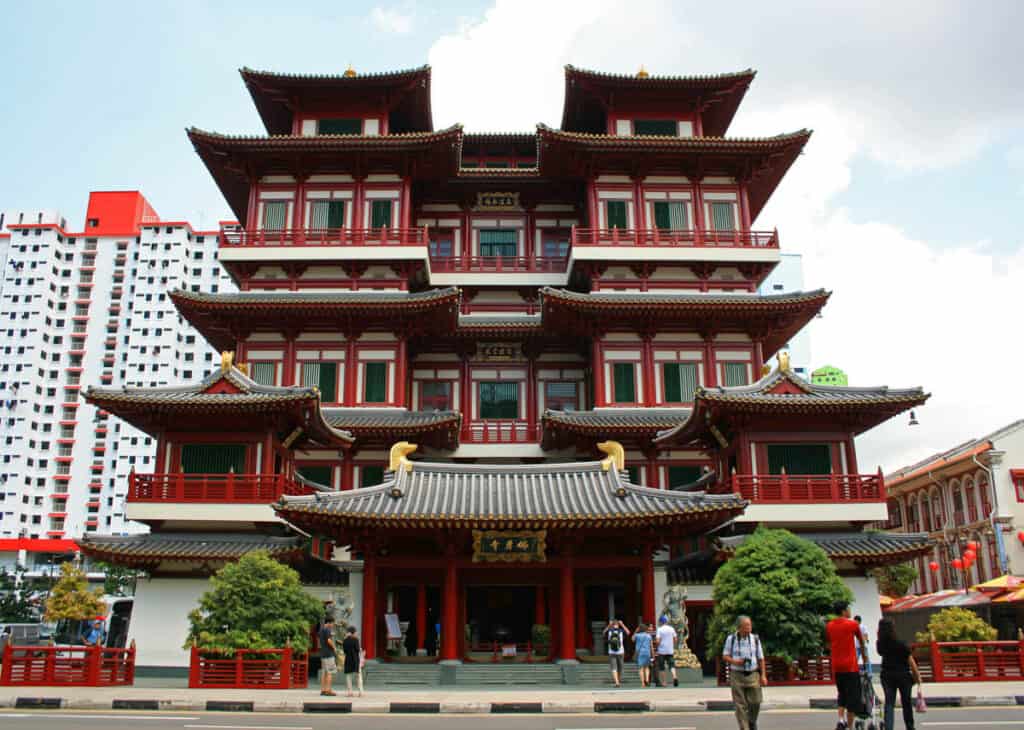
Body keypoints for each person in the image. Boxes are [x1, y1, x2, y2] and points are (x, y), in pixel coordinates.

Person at [826, 601, 869, 730]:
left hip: (837, 666)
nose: (850, 611)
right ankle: (850, 726)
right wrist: (865, 660)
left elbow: (828, 644)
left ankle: (840, 719)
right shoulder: (853, 624)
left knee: (842, 693)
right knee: (853, 698)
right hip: (850, 667)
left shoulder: (829, 625)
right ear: (844, 611)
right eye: (848, 609)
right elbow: (862, 642)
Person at [722, 615, 766, 730]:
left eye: (750, 625)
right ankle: (744, 727)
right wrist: (735, 662)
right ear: (739, 627)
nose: (749, 627)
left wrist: (763, 675)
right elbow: (725, 656)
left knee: (756, 701)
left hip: (753, 674)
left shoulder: (755, 639)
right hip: (737, 675)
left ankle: (751, 721)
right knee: (740, 705)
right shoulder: (731, 639)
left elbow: (761, 658)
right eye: (746, 625)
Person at [876, 617, 921, 730]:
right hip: (903, 675)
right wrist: (917, 677)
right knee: (906, 703)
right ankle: (910, 727)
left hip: (887, 675)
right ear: (892, 629)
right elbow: (911, 662)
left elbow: (881, 652)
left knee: (889, 703)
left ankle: (889, 727)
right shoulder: (901, 644)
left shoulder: (880, 644)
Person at [603, 618, 630, 687]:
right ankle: (618, 680)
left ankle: (617, 682)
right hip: (620, 651)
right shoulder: (621, 631)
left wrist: (609, 625)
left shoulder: (609, 631)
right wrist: (622, 624)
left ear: (612, 624)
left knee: (614, 667)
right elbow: (628, 632)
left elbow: (603, 632)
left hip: (611, 652)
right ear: (618, 624)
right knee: (620, 667)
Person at [655, 616, 679, 687]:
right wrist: (672, 645)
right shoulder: (671, 629)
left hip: (662, 651)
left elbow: (658, 641)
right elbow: (675, 639)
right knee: (672, 665)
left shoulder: (659, 629)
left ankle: (664, 682)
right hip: (670, 650)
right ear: (667, 621)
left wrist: (657, 646)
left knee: (662, 667)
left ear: (661, 622)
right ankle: (674, 676)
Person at [341, 625, 364, 697]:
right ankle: (360, 692)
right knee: (358, 676)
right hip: (355, 659)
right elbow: (357, 649)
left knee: (348, 676)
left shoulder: (345, 640)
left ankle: (350, 692)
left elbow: (344, 651)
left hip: (348, 659)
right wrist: (360, 649)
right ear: (353, 632)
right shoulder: (356, 639)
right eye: (355, 632)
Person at [318, 616, 338, 696]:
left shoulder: (321, 630)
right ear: (329, 622)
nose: (333, 625)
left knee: (325, 672)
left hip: (323, 653)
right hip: (329, 653)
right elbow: (329, 640)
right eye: (332, 623)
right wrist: (334, 647)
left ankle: (323, 690)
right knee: (330, 672)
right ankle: (328, 690)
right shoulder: (327, 630)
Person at [632, 622, 653, 687]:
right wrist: (653, 654)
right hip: (647, 652)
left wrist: (635, 631)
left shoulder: (637, 635)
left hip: (640, 653)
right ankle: (647, 680)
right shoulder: (648, 636)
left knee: (641, 668)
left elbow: (632, 639)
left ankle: (643, 683)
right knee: (647, 667)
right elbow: (651, 646)